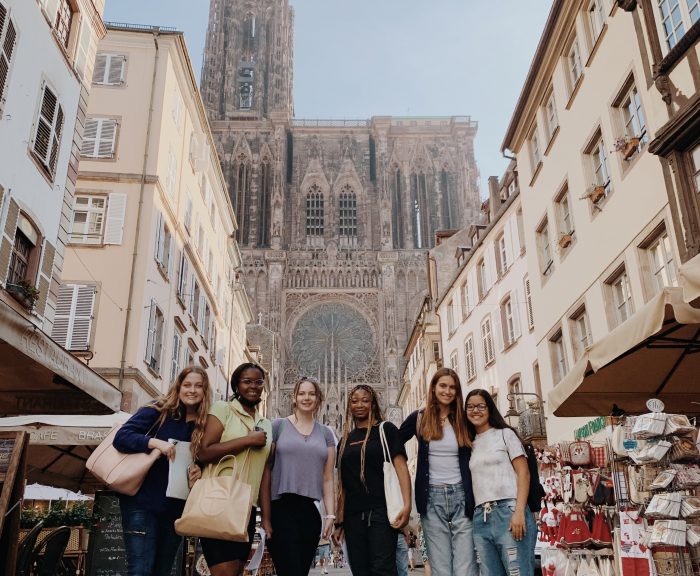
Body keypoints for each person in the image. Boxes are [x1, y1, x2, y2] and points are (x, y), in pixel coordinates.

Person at [113, 366, 209, 576]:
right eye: (187, 385)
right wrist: (156, 443)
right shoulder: (159, 409)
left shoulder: (204, 426)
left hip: (175, 509)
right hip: (142, 502)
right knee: (140, 569)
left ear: (205, 391)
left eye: (198, 386)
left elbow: (204, 460)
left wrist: (199, 471)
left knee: (162, 571)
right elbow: (121, 438)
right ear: (179, 386)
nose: (192, 390)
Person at [399, 368, 477, 576]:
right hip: (431, 497)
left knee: (465, 566)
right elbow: (393, 443)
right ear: (433, 388)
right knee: (441, 567)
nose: (448, 391)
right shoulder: (420, 418)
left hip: (462, 494)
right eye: (443, 385)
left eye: (452, 387)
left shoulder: (463, 419)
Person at [197, 363, 272, 576]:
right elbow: (204, 452)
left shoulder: (265, 423)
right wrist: (247, 440)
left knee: (238, 570)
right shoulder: (223, 409)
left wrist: (266, 517)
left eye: (259, 382)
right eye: (247, 381)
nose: (254, 386)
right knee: (225, 571)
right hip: (218, 501)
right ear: (236, 386)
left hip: (246, 508)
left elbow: (265, 472)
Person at [333, 384, 412, 576]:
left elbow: (401, 468)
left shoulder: (386, 430)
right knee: (360, 570)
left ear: (373, 404)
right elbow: (342, 485)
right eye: (354, 401)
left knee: (382, 568)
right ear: (348, 406)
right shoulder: (344, 441)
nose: (359, 405)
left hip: (381, 512)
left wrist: (407, 506)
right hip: (353, 516)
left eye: (365, 400)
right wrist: (339, 522)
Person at [260, 376, 336, 576]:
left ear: (319, 399)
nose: (306, 398)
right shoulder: (278, 426)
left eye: (311, 394)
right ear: (293, 397)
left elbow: (328, 478)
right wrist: (266, 517)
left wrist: (330, 514)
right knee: (289, 570)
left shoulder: (326, 433)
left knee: (300, 571)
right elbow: (266, 469)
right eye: (301, 393)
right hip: (280, 509)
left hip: (309, 512)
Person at [465, 389, 536, 576]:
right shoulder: (469, 443)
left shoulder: (505, 434)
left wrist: (519, 511)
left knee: (518, 572)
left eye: (481, 406)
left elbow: (524, 472)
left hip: (509, 511)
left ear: (489, 408)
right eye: (470, 407)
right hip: (481, 517)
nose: (475, 410)